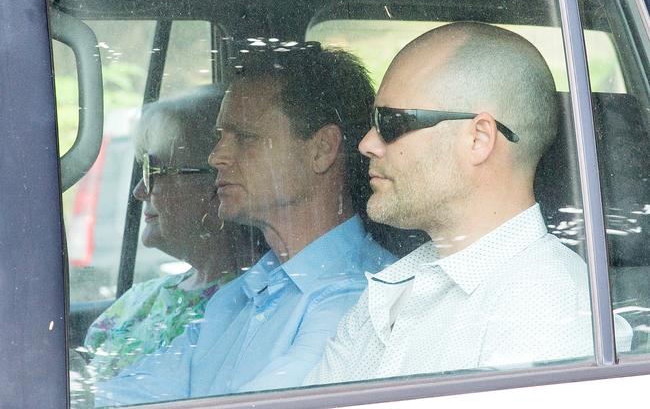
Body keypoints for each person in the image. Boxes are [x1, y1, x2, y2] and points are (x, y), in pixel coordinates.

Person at [306, 22, 632, 385]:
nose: (367, 143)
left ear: (478, 139)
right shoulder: (393, 286)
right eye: (372, 122)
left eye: (391, 122)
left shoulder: (550, 317)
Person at [94, 45, 395, 406]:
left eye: (245, 138)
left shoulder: (360, 299)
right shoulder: (244, 293)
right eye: (221, 136)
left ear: (322, 150)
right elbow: (124, 394)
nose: (215, 156)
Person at [84, 87, 262, 382]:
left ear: (217, 185)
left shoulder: (253, 305)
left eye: (154, 172)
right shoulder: (141, 299)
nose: (140, 191)